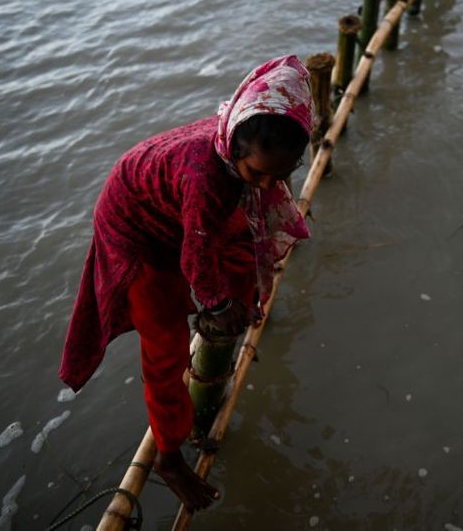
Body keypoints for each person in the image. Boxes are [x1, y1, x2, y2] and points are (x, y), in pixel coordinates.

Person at [58, 55, 314, 510]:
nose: (270, 183)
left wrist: (235, 297)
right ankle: (170, 459)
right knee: (165, 346)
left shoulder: (241, 154)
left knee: (238, 256)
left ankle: (238, 312)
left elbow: (214, 239)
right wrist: (216, 304)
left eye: (282, 173)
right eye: (259, 174)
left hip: (178, 214)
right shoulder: (205, 176)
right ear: (234, 143)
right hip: (134, 229)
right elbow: (195, 255)